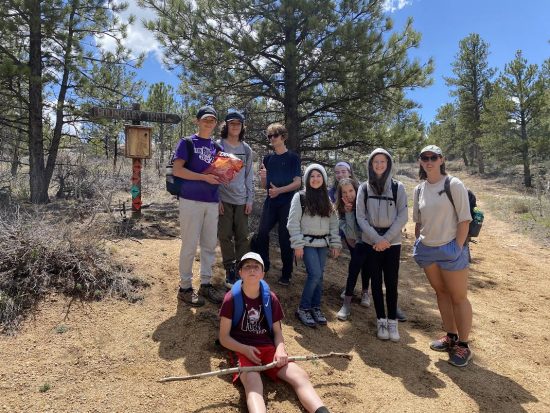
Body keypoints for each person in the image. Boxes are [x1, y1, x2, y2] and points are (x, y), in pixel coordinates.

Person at [219, 252, 331, 413]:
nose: (252, 270)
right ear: (240, 273)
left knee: (300, 376)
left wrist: (280, 350)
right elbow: (224, 338)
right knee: (253, 384)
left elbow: (278, 333)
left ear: (262, 274)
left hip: (268, 348)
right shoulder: (231, 299)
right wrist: (244, 349)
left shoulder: (270, 299)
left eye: (256, 267)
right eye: (247, 266)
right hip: (241, 349)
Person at [412, 145, 473, 367]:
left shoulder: (453, 184)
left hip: (450, 249)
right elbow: (418, 221)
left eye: (433, 157)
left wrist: (457, 247)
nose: (429, 161)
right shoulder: (419, 189)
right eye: (424, 158)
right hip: (428, 249)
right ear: (420, 161)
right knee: (441, 293)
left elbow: (464, 220)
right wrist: (419, 241)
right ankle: (451, 335)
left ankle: (463, 345)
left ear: (441, 160)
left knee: (458, 297)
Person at [173, 105, 225, 306]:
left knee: (209, 246)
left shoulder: (217, 148)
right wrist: (203, 177)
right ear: (197, 121)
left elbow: (218, 176)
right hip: (190, 200)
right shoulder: (187, 143)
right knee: (189, 245)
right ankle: (185, 287)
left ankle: (205, 285)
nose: (208, 122)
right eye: (205, 119)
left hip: (211, 202)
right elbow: (178, 170)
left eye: (212, 120)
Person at [356, 148, 408, 342]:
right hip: (372, 242)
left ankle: (393, 321)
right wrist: (377, 239)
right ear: (370, 164)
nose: (379, 165)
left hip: (392, 243)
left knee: (392, 282)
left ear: (388, 164)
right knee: (376, 283)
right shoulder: (363, 188)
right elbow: (360, 217)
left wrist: (386, 238)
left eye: (382, 162)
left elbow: (403, 215)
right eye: (375, 162)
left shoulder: (398, 187)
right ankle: (381, 321)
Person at [287, 164, 341, 328]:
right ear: (307, 179)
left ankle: (315, 307)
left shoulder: (327, 199)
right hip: (307, 243)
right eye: (312, 176)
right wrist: (297, 244)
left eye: (319, 176)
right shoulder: (300, 197)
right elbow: (293, 223)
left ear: (323, 179)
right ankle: (303, 308)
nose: (315, 179)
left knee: (319, 276)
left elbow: (333, 224)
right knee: (315, 274)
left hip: (322, 244)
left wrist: (335, 242)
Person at [253, 123, 301, 286]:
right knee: (262, 233)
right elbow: (264, 184)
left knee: (284, 237)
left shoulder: (293, 158)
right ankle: (264, 265)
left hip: (288, 203)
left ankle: (286, 274)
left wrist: (279, 190)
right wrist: (263, 176)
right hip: (271, 201)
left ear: (283, 137)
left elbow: (297, 183)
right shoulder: (268, 159)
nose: (272, 139)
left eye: (275, 135)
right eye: (269, 136)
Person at [217, 111, 254, 287]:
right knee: (224, 235)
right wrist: (216, 199)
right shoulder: (218, 146)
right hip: (223, 198)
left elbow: (249, 176)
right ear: (226, 126)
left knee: (242, 237)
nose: (235, 126)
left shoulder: (246, 149)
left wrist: (250, 199)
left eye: (238, 124)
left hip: (241, 199)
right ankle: (229, 267)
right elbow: (213, 173)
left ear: (242, 126)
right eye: (232, 123)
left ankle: (240, 268)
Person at [335, 178, 371, 320]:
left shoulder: (364, 203)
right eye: (344, 192)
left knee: (367, 266)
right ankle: (347, 302)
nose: (348, 194)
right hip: (356, 242)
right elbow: (351, 235)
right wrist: (349, 213)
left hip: (369, 240)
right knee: (355, 265)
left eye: (351, 190)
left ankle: (365, 292)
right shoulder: (342, 209)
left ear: (356, 190)